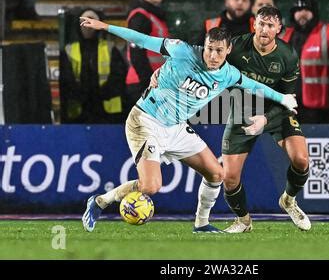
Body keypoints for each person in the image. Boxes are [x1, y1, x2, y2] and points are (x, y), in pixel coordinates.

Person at [79, 16, 299, 233]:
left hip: (175, 127)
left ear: (228, 51)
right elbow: (143, 39)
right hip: (146, 120)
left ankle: (201, 224)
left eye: (219, 51)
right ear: (204, 44)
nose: (212, 55)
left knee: (216, 174)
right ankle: (100, 201)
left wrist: (283, 98)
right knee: (151, 187)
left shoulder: (228, 74)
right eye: (209, 48)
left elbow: (252, 85)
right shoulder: (182, 50)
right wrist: (105, 26)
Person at [151, 6, 311, 233]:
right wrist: (161, 70)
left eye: (270, 25)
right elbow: (197, 55)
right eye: (261, 24)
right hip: (243, 112)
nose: (265, 29)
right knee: (229, 178)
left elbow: (288, 98)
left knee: (302, 159)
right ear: (254, 24)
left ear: (279, 29)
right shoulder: (234, 47)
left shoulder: (288, 55)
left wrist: (265, 119)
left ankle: (288, 200)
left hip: (276, 112)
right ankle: (244, 221)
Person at [281, 0, 329, 124]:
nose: (301, 14)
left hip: (321, 110)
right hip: (289, 107)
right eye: (298, 11)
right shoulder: (284, 35)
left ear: (314, 13)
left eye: (306, 10)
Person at [59, 9, 126, 123]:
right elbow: (66, 79)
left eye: (92, 21)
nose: (88, 25)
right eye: (84, 21)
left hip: (107, 109)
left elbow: (119, 76)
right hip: (78, 109)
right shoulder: (69, 50)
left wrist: (103, 93)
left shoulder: (110, 48)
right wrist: (79, 94)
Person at [124, 0, 169, 117]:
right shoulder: (140, 17)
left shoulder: (156, 16)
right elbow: (136, 54)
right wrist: (149, 85)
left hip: (154, 83)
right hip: (143, 83)